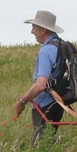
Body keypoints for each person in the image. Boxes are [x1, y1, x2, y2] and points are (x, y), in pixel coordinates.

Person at [15, 10, 65, 145]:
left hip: (44, 104)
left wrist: (23, 101)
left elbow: (41, 85)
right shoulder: (63, 47)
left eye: (34, 27)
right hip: (60, 103)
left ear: (42, 30)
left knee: (38, 148)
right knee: (48, 142)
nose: (32, 32)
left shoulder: (46, 50)